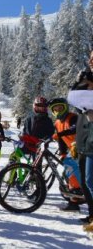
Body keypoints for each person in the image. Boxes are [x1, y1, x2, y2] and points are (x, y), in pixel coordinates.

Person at [68, 67, 93, 229]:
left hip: (92, 142)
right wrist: (79, 81)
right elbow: (73, 98)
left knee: (91, 181)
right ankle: (92, 214)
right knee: (84, 182)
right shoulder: (85, 90)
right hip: (83, 141)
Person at [48, 98, 82, 212]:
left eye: (60, 107)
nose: (58, 110)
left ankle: (78, 191)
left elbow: (74, 129)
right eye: (55, 108)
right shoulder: (57, 123)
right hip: (72, 150)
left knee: (72, 169)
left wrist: (60, 133)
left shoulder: (73, 117)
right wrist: (62, 153)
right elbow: (61, 140)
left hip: (82, 149)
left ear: (65, 107)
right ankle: (74, 202)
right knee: (67, 172)